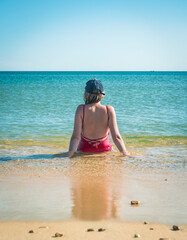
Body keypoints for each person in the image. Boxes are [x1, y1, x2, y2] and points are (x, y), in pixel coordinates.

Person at [67, 78, 130, 157]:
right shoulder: (109, 110)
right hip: (105, 150)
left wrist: (70, 154)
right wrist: (125, 153)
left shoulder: (81, 109)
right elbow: (116, 137)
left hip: (84, 150)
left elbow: (76, 137)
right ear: (103, 93)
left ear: (86, 93)